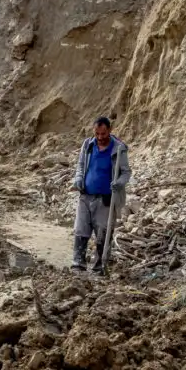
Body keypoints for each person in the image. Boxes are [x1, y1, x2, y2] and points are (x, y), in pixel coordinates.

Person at [72, 116, 131, 273]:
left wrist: (119, 182)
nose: (100, 137)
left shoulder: (118, 148)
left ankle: (100, 267)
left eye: (103, 134)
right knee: (81, 230)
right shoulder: (88, 145)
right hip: (86, 196)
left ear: (109, 131)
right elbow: (81, 165)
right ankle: (78, 265)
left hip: (106, 199)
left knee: (102, 234)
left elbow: (126, 173)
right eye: (97, 133)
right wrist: (78, 179)